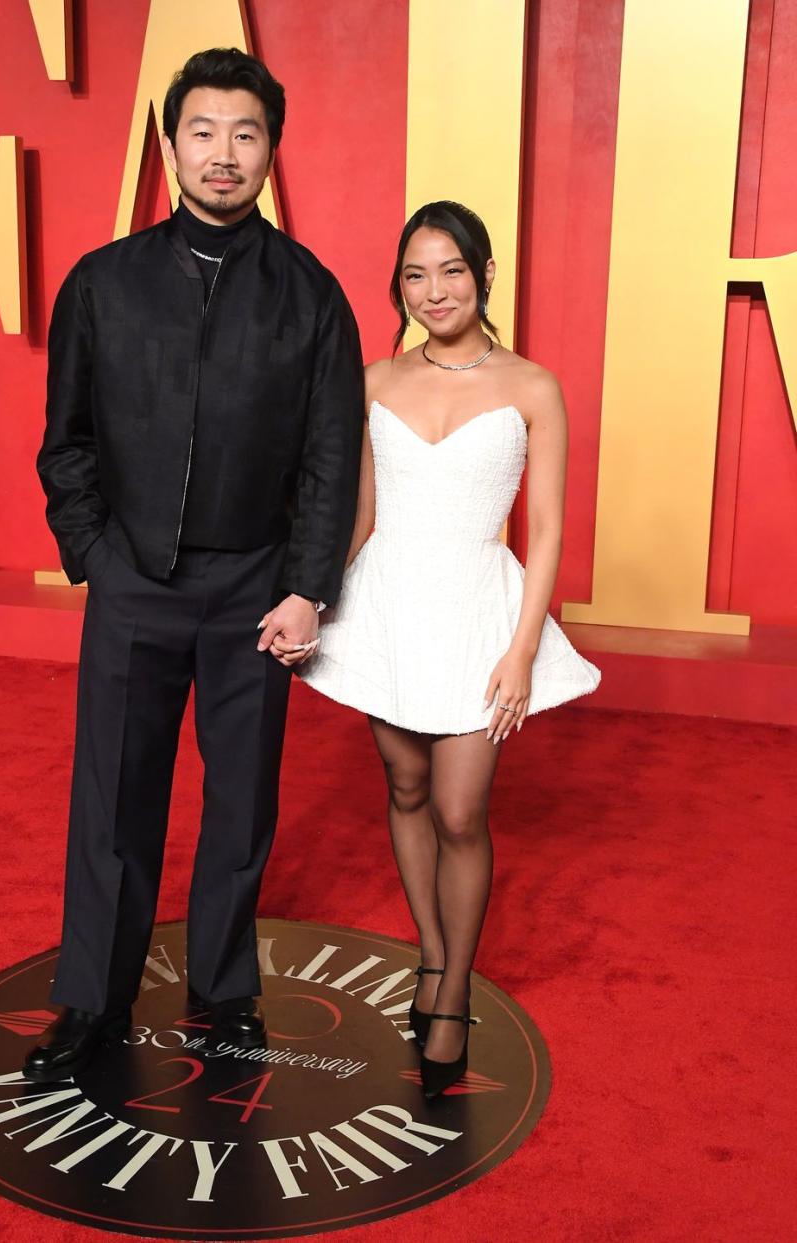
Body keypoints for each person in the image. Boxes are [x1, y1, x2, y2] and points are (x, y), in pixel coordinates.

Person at [26, 47, 364, 1082]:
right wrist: (96, 556)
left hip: (255, 591)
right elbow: (67, 441)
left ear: (272, 151)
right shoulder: (104, 282)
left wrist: (306, 587)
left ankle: (224, 995)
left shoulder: (312, 296)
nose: (224, 154)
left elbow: (329, 456)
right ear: (171, 143)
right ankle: (91, 1001)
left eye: (246, 134)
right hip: (133, 584)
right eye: (204, 132)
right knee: (113, 802)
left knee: (241, 804)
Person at [298, 201, 600, 1098]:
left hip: (478, 607)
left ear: (485, 274)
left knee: (462, 812)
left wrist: (520, 651)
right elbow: (354, 517)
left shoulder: (532, 386)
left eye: (452, 271)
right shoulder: (373, 380)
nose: (433, 291)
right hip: (388, 604)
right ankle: (430, 955)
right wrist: (316, 607)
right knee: (406, 786)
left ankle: (454, 987)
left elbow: (542, 532)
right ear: (399, 285)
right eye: (415, 275)